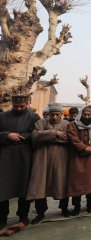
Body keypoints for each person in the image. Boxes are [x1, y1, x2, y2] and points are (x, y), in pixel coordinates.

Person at [0, 95, 40, 229]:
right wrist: (7, 135)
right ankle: (2, 218)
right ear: (12, 104)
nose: (18, 108)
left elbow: (37, 133)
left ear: (27, 104)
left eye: (22, 106)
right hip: (5, 157)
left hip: (25, 157)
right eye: (16, 106)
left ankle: (23, 216)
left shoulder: (34, 117)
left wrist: (22, 136)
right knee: (3, 188)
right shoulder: (2, 116)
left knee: (24, 188)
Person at [27, 103, 71, 224]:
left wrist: (45, 136)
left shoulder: (67, 124)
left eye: (57, 114)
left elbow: (67, 139)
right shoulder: (41, 123)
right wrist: (55, 133)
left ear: (62, 114)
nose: (55, 117)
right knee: (40, 184)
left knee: (61, 182)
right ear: (48, 114)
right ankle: (40, 212)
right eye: (52, 114)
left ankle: (64, 208)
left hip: (60, 157)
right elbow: (35, 137)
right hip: (42, 157)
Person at [67, 105, 91, 215]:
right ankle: (77, 206)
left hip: (90, 157)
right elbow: (73, 138)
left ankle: (89, 204)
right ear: (81, 114)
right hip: (77, 157)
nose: (86, 116)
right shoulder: (73, 125)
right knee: (76, 183)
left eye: (89, 115)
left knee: (90, 183)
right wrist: (85, 148)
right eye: (84, 114)